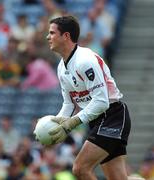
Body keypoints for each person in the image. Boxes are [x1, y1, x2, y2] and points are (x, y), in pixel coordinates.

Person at [46, 16, 143, 180]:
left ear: (66, 36)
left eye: (52, 33)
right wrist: (56, 127)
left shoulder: (85, 61)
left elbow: (102, 101)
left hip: (112, 116)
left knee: (80, 168)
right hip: (97, 120)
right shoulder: (62, 67)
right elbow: (69, 103)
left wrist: (73, 122)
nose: (47, 37)